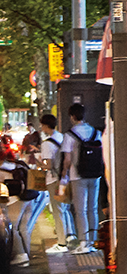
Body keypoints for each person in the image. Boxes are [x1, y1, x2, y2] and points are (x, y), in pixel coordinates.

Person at [60, 103, 103, 254]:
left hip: (77, 176)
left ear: (72, 116)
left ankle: (84, 243)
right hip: (95, 175)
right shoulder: (96, 132)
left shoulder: (69, 135)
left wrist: (63, 176)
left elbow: (67, 160)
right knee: (93, 208)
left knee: (81, 210)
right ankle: (93, 240)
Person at [39, 114, 76, 253]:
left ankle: (61, 243)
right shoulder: (61, 137)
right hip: (64, 178)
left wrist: (37, 163)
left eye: (42, 125)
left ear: (45, 126)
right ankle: (70, 235)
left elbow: (48, 166)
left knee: (57, 211)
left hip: (53, 180)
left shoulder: (47, 143)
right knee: (65, 208)